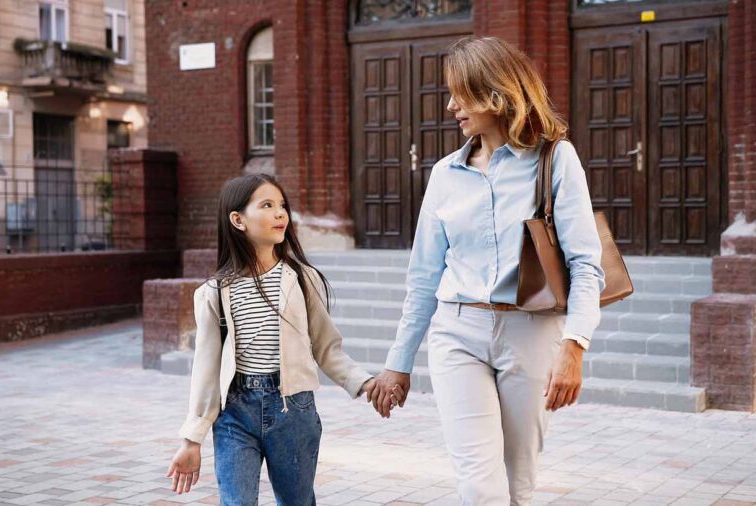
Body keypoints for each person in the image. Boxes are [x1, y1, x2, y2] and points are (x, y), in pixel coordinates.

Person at [369, 37, 605, 505]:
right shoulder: (444, 174)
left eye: (461, 93)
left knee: (517, 484)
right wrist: (399, 363)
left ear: (495, 94)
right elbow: (423, 278)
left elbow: (585, 265)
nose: (452, 105)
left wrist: (574, 346)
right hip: (457, 332)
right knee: (480, 483)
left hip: (532, 333)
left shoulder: (555, 159)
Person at [165, 173, 403, 505]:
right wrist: (192, 439)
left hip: (293, 409)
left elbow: (326, 348)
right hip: (234, 413)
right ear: (238, 220)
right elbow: (205, 372)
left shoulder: (304, 280)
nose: (280, 213)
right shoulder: (212, 294)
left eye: (282, 205)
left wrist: (365, 383)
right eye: (267, 205)